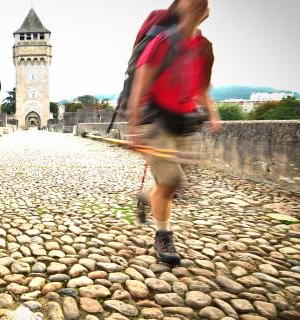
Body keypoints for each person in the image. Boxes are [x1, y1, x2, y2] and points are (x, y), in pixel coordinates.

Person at [125, 0, 221, 264]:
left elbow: (203, 86)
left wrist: (213, 114)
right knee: (169, 182)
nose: (197, 5)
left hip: (185, 121)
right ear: (177, 8)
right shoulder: (162, 43)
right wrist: (133, 128)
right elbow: (141, 86)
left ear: (206, 12)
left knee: (171, 186)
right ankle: (163, 234)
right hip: (156, 120)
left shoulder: (204, 48)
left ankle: (147, 197)